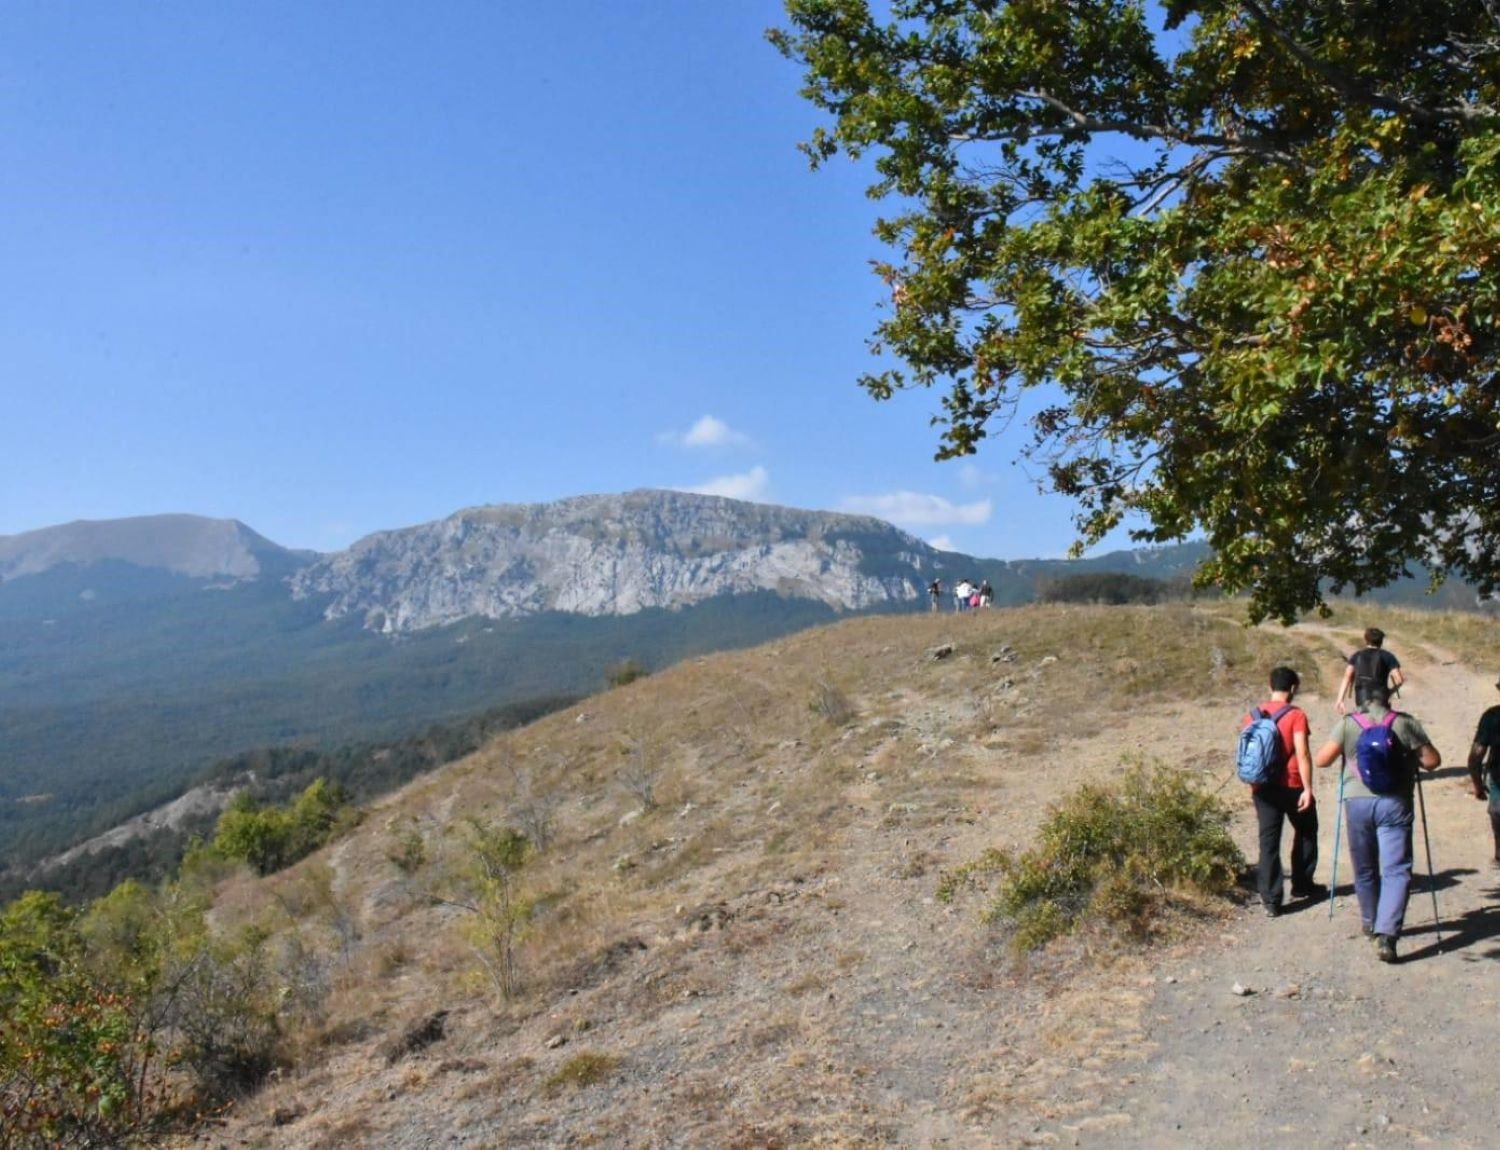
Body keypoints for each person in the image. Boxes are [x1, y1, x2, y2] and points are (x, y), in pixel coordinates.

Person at [1314, 684, 1441, 962]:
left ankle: (1370, 922)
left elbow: (1322, 760)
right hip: (1395, 803)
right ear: (1389, 699)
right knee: (1396, 869)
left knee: (1365, 868)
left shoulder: (1348, 724)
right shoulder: (1405, 723)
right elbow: (1432, 761)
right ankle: (1387, 935)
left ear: (1359, 700)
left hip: (1357, 804)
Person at [1243, 667, 1322, 917]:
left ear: (1270, 686)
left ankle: (1271, 900)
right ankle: (1302, 884)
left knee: (1269, 842)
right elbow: (1303, 753)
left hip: (1262, 786)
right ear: (1293, 689)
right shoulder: (1296, 715)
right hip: (1292, 785)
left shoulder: (1252, 715)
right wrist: (1308, 789)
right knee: (1307, 830)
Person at [1465, 674, 1500, 865]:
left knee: (1497, 812)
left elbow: (1476, 756)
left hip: (1498, 776)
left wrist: (1478, 785)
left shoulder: (1492, 717)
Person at [1335, 627, 1405, 714]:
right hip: (1381, 695)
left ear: (1366, 640)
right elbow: (1399, 679)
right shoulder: (1388, 656)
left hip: (1361, 695)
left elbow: (1347, 677)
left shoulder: (1357, 656)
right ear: (1381, 641)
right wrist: (1390, 692)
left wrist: (1340, 699)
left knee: (1363, 722)